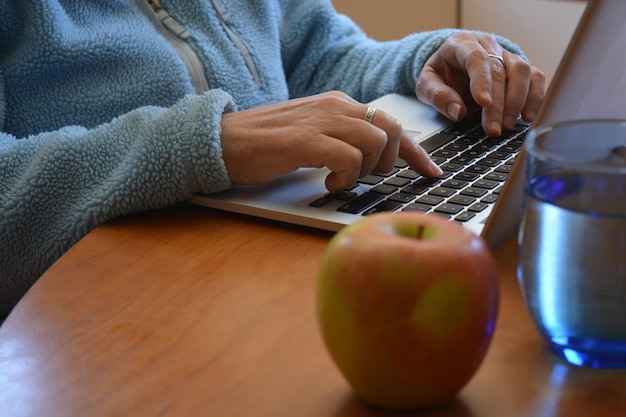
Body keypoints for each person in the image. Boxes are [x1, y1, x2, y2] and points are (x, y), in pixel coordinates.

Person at [0, 0, 545, 320]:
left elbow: (322, 58)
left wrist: (421, 65)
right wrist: (209, 143)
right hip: (103, 316)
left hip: (267, 279)